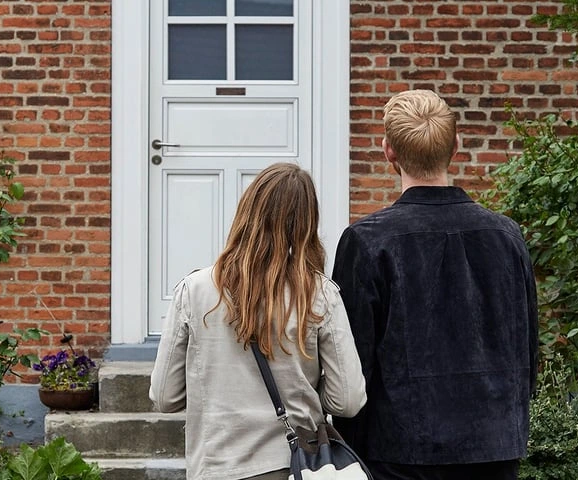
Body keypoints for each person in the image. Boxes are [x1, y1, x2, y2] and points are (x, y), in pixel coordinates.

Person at [331, 89, 538, 480]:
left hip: (400, 451)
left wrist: (350, 449)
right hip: (492, 447)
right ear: (456, 146)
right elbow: (526, 346)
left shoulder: (367, 240)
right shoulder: (506, 235)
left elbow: (353, 360)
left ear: (387, 150)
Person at [149, 162, 367, 480]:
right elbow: (347, 399)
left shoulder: (194, 291)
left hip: (216, 466)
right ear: (307, 223)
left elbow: (165, 397)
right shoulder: (318, 294)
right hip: (293, 466)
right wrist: (304, 392)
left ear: (246, 211)